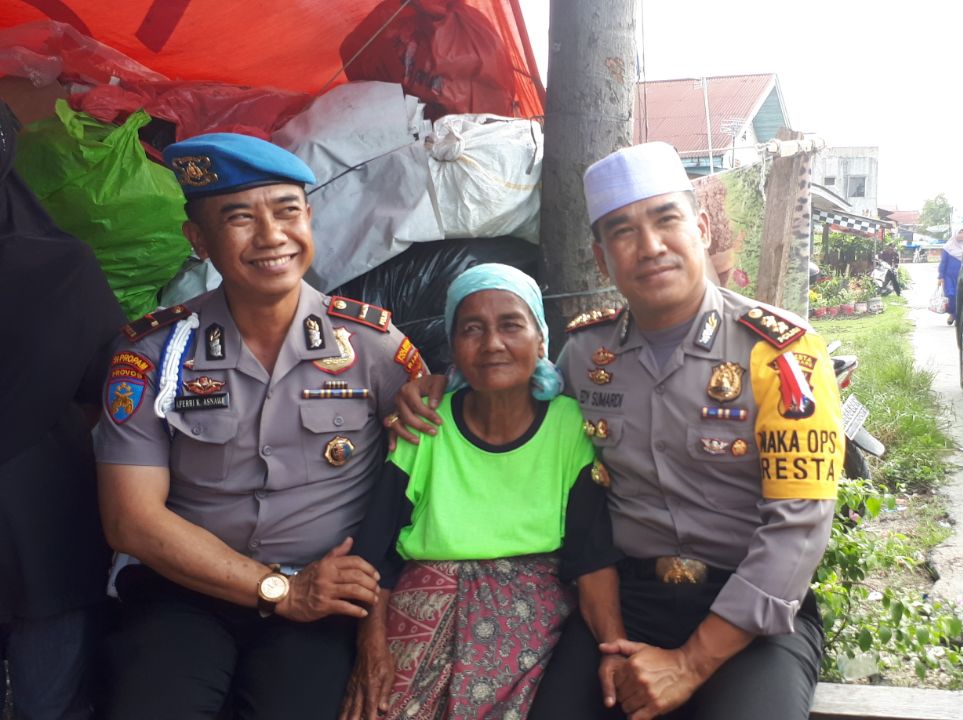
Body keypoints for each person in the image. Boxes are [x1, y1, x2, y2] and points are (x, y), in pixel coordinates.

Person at [393, 141, 844, 720]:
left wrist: (690, 664)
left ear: (701, 228)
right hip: (624, 603)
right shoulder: (586, 352)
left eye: (666, 220)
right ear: (603, 260)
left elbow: (798, 530)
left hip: (750, 619)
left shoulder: (782, 354)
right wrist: (437, 383)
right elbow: (510, 384)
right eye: (623, 232)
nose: (650, 247)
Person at [93, 133, 420, 720]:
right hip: (184, 591)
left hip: (324, 593)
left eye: (287, 211)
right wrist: (280, 592)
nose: (271, 237)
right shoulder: (155, 352)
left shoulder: (372, 345)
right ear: (198, 239)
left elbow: (431, 457)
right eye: (240, 218)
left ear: (309, 220)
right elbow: (130, 520)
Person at [340, 264, 619, 720]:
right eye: (472, 329)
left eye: (511, 325)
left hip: (534, 622)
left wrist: (613, 649)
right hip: (422, 608)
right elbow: (374, 558)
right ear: (453, 346)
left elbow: (591, 561)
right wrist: (371, 653)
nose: (492, 344)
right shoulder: (426, 425)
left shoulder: (572, 427)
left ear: (541, 339)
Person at [0, 99, 123, 720]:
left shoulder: (67, 268)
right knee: (50, 703)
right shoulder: (64, 267)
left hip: (45, 527)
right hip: (48, 527)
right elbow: (109, 389)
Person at [938, 228, 963, 325]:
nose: (961, 235)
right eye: (959, 233)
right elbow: (943, 262)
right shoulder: (948, 247)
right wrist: (940, 276)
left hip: (961, 277)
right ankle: (953, 314)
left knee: (959, 297)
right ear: (955, 234)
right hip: (948, 277)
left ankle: (955, 316)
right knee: (950, 295)